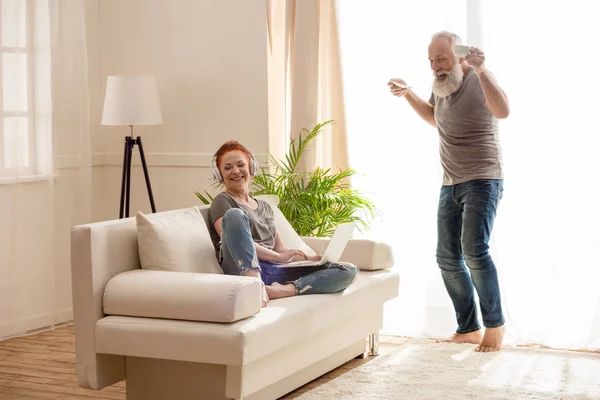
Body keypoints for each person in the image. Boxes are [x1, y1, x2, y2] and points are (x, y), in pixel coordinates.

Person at [388, 31, 510, 352]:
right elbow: (435, 118)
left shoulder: (477, 79)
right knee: (447, 257)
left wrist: (483, 71)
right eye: (431, 60)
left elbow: (503, 111)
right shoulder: (440, 85)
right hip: (450, 182)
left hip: (483, 179)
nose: (436, 66)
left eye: (441, 58)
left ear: (459, 55)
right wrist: (408, 94)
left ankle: (495, 326)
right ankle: (469, 327)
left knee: (474, 251)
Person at [207, 140, 358, 307]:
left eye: (240, 165)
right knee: (235, 215)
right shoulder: (222, 202)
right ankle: (253, 284)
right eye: (227, 168)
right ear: (219, 175)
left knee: (348, 269)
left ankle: (279, 291)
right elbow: (233, 240)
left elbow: (280, 249)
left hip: (272, 271)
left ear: (251, 168)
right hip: (241, 269)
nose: (235, 171)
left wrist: (308, 259)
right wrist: (278, 257)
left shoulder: (265, 206)